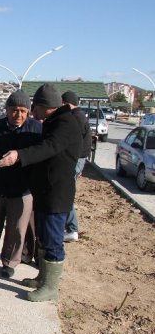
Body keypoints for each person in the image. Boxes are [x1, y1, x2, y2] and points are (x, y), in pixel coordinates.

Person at [0, 83, 82, 302]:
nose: (32, 112)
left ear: (46, 106)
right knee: (44, 238)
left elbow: (49, 148)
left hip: (57, 193)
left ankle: (51, 288)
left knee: (53, 239)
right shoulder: (55, 121)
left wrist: (19, 155)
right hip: (45, 191)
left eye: (35, 106)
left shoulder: (65, 123)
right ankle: (43, 278)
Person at [0, 90, 42, 278]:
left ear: (28, 111)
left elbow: (44, 154)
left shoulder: (36, 130)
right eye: (14, 110)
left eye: (22, 111)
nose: (18, 115)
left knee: (17, 230)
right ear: (6, 110)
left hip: (22, 191)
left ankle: (10, 262)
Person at [61, 91, 92, 242]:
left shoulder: (76, 118)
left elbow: (73, 141)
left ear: (66, 103)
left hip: (75, 160)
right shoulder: (79, 116)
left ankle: (72, 229)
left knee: (65, 193)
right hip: (78, 160)